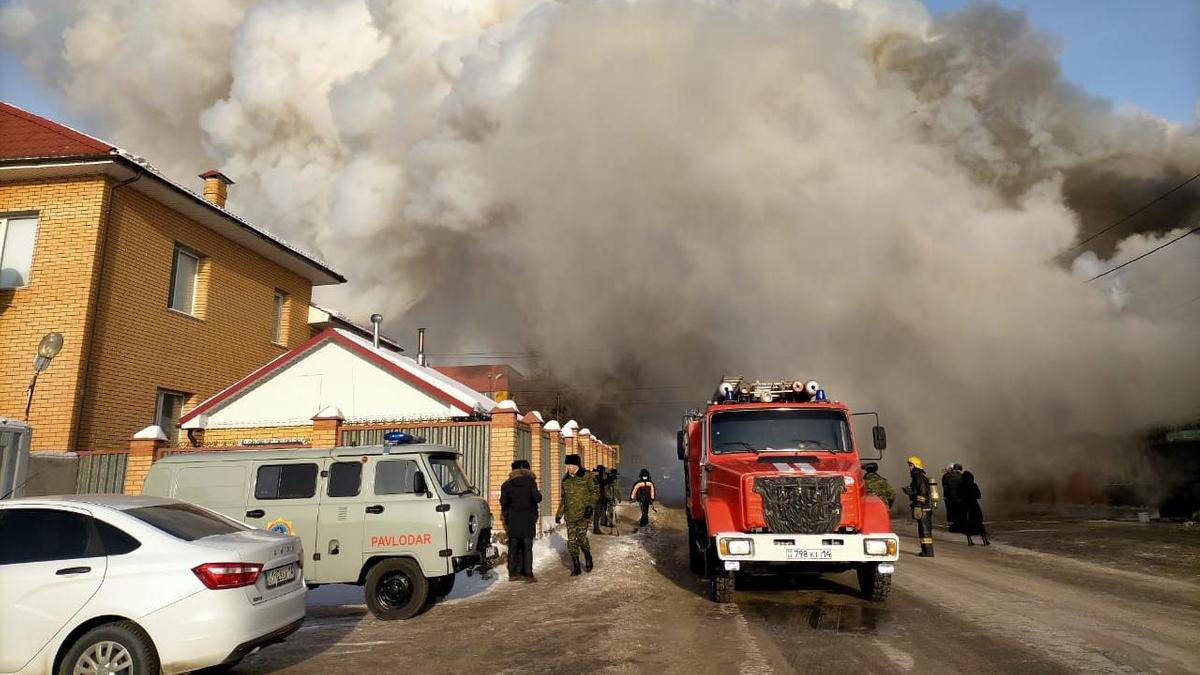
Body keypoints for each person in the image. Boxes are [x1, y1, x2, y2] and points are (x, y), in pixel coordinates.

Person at [555, 454, 598, 576]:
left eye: (571, 465)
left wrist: (590, 506)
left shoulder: (587, 476)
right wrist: (559, 514)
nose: (569, 467)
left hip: (584, 514)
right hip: (570, 515)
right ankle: (576, 565)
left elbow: (595, 492)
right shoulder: (565, 480)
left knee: (582, 538)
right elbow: (563, 498)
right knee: (572, 541)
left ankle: (587, 555)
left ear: (577, 465)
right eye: (567, 465)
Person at [500, 459, 542, 582]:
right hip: (528, 517)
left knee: (513, 546)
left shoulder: (507, 484)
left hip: (513, 518)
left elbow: (504, 502)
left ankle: (513, 573)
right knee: (527, 546)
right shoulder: (531, 483)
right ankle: (528, 574)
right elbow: (537, 498)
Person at [902, 455, 935, 557]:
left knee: (925, 530)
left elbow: (923, 492)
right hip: (923, 507)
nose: (909, 467)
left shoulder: (918, 477)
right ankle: (926, 551)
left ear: (916, 466)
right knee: (923, 530)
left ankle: (928, 552)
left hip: (923, 507)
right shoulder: (918, 477)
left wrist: (918, 504)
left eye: (911, 465)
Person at [960, 470, 991, 546]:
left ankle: (969, 541)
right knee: (979, 524)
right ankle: (985, 540)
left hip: (965, 506)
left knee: (967, 524)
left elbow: (959, 495)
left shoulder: (961, 486)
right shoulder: (974, 485)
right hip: (974, 505)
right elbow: (979, 496)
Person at [942, 463, 963, 532]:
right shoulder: (962, 476)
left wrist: (945, 496)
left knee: (950, 511)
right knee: (959, 511)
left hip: (949, 497)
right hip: (960, 497)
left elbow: (945, 488)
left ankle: (952, 527)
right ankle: (960, 526)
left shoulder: (946, 476)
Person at [593, 465, 614, 534]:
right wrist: (610, 478)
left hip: (598, 498)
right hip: (598, 498)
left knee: (598, 513)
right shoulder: (598, 478)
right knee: (597, 513)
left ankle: (596, 527)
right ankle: (595, 528)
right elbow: (605, 482)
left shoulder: (596, 478)